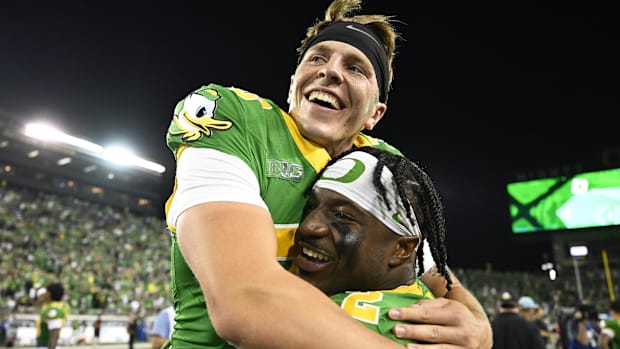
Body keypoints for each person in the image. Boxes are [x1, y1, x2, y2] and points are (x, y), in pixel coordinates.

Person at [163, 0, 491, 347]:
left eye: (356, 68)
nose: (330, 71)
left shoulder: (383, 165)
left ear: (374, 114)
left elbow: (435, 274)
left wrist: (479, 326)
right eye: (318, 58)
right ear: (293, 84)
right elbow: (246, 300)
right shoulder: (236, 120)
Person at [295, 146, 451, 344]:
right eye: (312, 207)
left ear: (401, 249)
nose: (308, 226)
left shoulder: (337, 321)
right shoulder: (422, 298)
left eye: (342, 216)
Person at [35, 282, 70, 349]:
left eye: (46, 291)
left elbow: (54, 332)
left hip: (47, 346)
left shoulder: (53, 310)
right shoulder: (55, 305)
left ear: (49, 294)